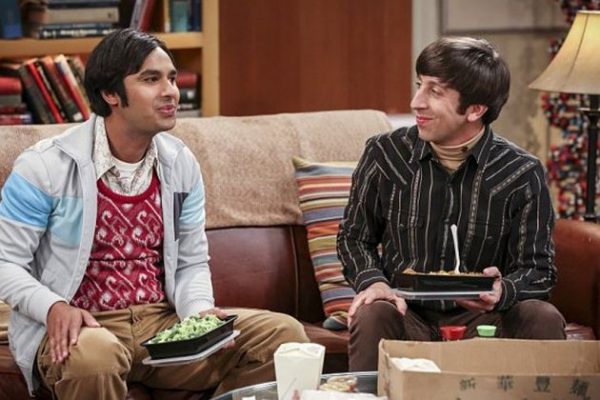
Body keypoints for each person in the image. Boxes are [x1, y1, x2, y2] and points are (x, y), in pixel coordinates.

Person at [0, 29, 308, 399]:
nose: (170, 91)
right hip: (83, 328)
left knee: (284, 336)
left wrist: (198, 313)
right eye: (151, 79)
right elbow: (5, 262)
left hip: (160, 326)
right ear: (111, 94)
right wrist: (53, 307)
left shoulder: (180, 163)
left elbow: (191, 261)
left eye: (172, 78)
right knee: (96, 357)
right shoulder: (44, 166)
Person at [337, 36, 565, 371]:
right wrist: (375, 282)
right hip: (405, 311)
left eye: (435, 91)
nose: (416, 102)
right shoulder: (384, 154)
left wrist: (502, 290)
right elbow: (354, 237)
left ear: (475, 109)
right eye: (420, 85)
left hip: (485, 321)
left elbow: (539, 270)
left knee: (542, 316)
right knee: (373, 312)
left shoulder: (520, 172)